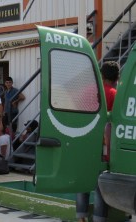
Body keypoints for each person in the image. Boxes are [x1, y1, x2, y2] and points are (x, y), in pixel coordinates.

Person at [76, 61, 120, 222]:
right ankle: (99, 219)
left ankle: (81, 217)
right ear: (117, 77)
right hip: (103, 146)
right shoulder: (115, 94)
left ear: (101, 75)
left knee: (83, 181)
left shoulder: (88, 91)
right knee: (101, 184)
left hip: (85, 141)